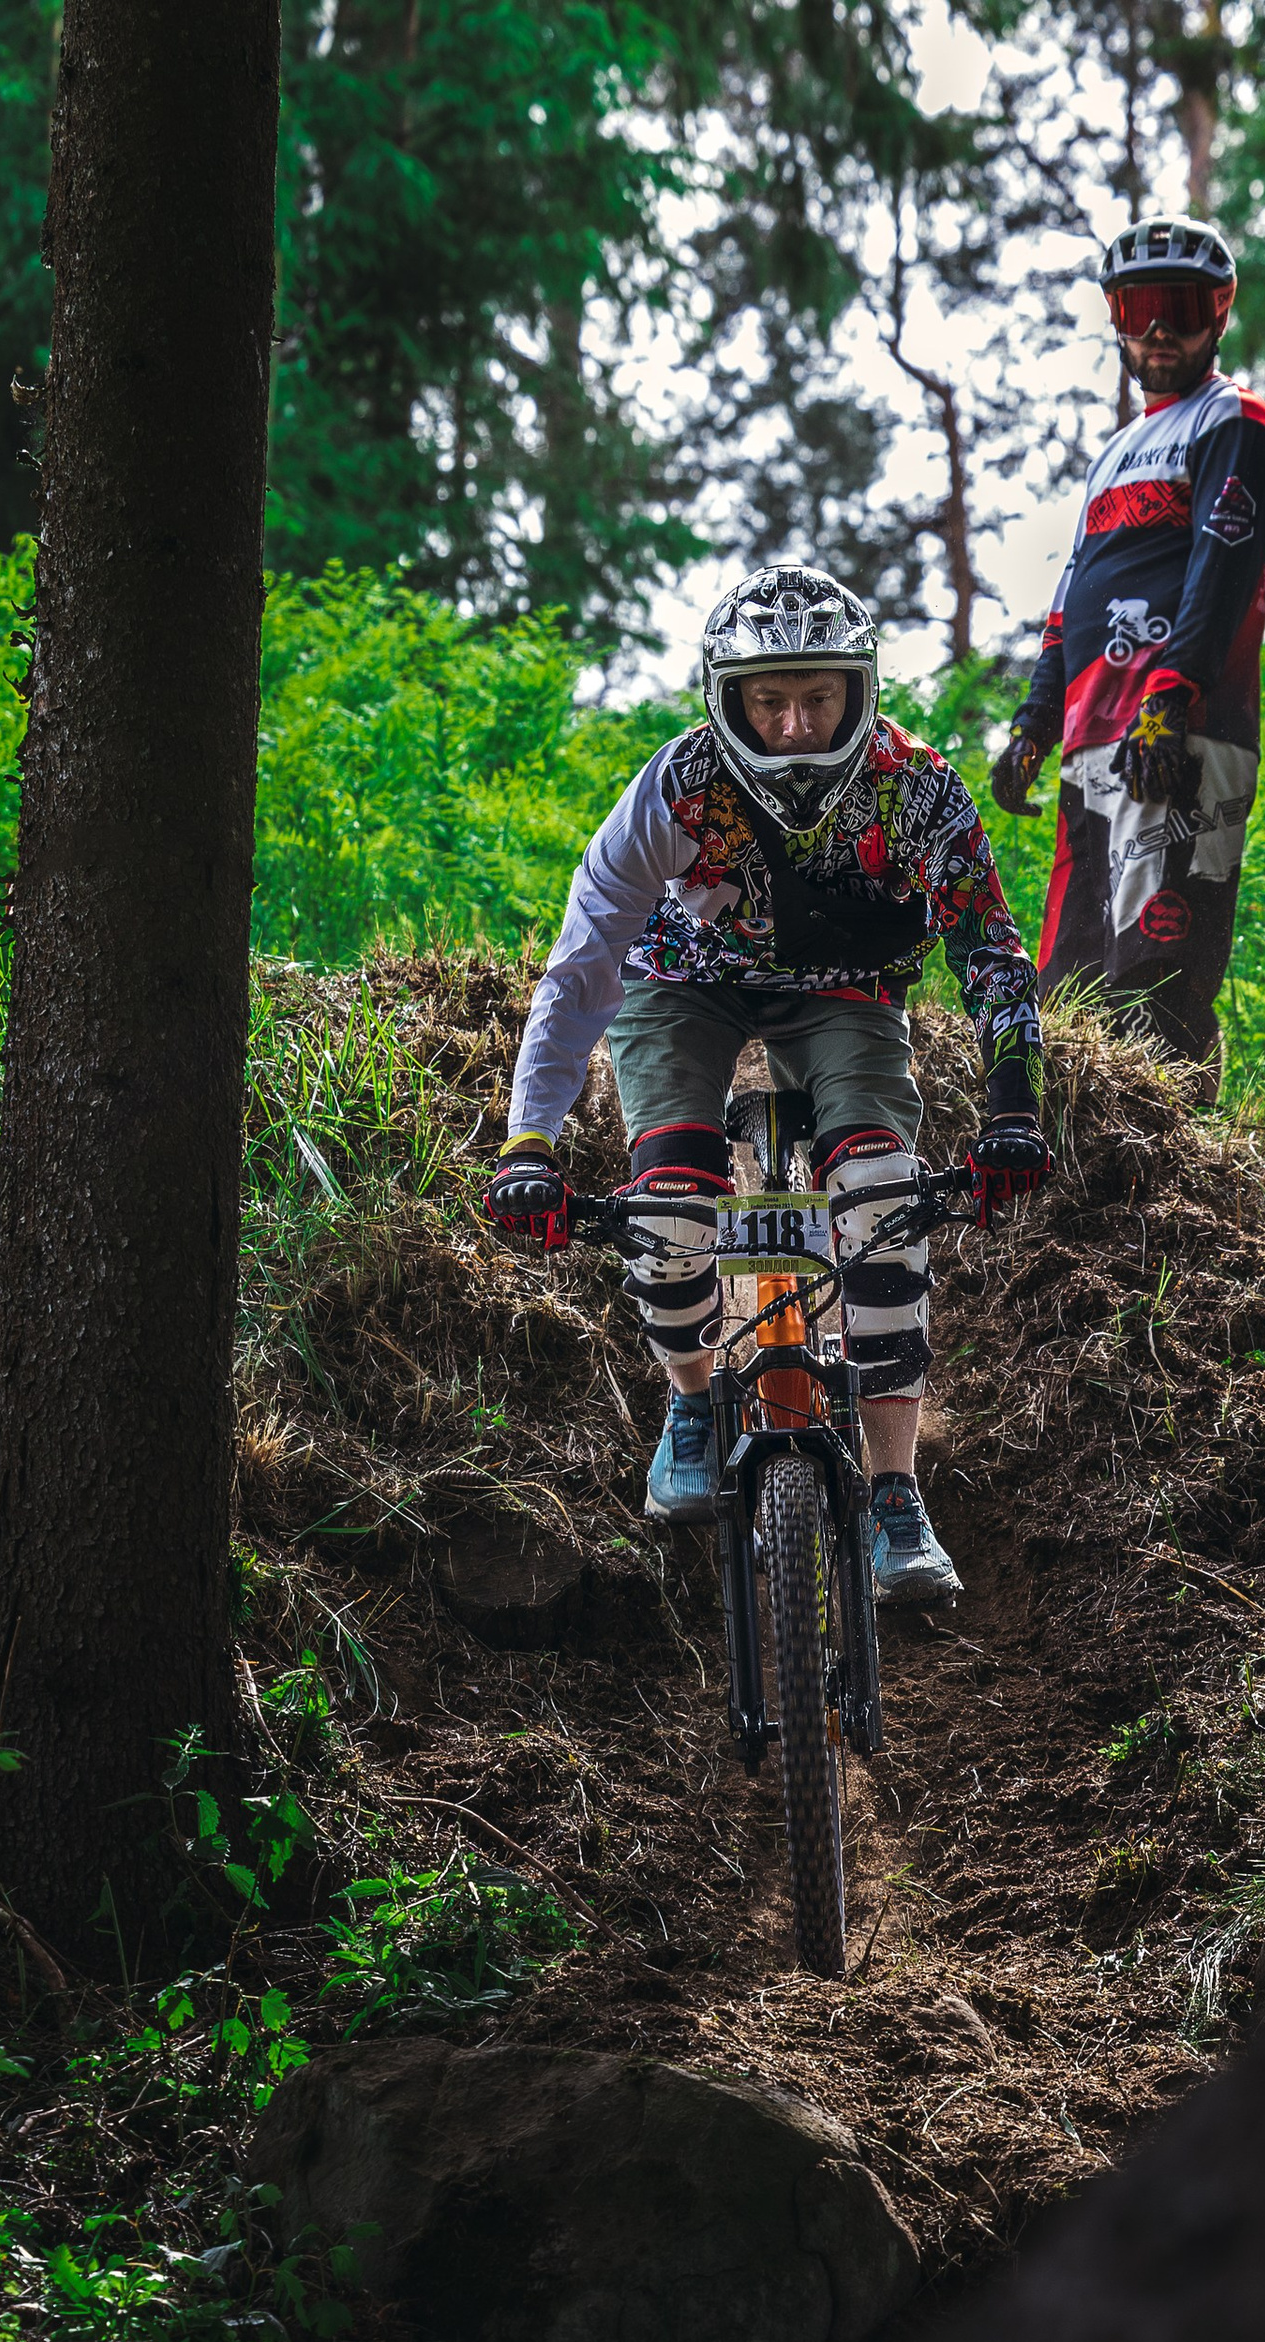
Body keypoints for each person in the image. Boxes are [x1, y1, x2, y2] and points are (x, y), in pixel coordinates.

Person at [484, 563, 1048, 1609]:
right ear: (725, 696)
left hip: (846, 997)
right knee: (667, 1202)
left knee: (883, 1197)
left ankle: (893, 1493)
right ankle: (693, 1401)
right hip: (682, 988)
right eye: (769, 698)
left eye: (819, 696)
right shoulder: (677, 785)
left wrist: (1014, 1110)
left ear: (860, 689)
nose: (793, 724)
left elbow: (989, 950)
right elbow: (583, 962)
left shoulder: (918, 788)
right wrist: (532, 1142)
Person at [988, 215, 1265, 1067]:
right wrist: (1033, 720)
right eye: (1137, 306)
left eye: (1180, 305)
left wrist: (1170, 695)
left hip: (1181, 734)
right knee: (1073, 984)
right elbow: (1071, 596)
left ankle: (1183, 1179)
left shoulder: (1238, 423)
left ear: (1221, 310)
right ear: (1115, 317)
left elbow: (1219, 574)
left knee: (1157, 973)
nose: (1158, 329)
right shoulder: (1117, 451)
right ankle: (1085, 1191)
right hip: (1094, 743)